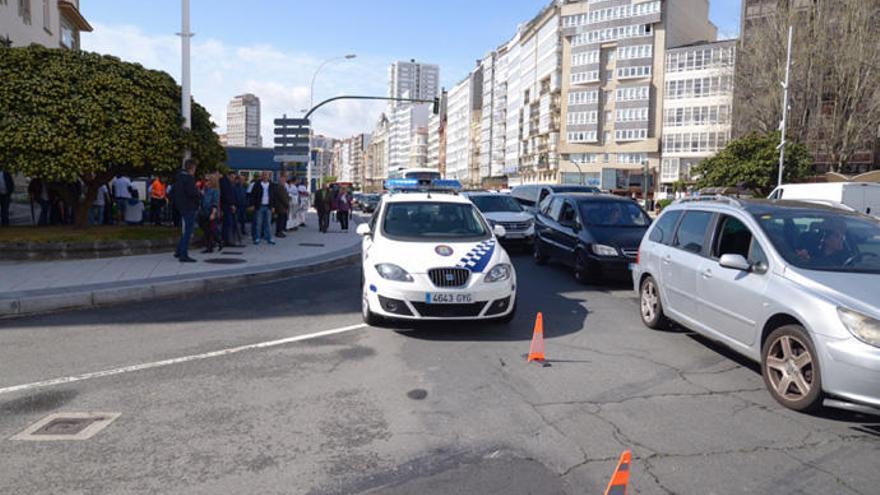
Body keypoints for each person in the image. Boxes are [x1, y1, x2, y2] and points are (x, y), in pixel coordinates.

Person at [172, 159, 201, 262]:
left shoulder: (178, 178)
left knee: (186, 230)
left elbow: (173, 192)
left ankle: (179, 251)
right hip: (189, 206)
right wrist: (199, 193)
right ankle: (183, 254)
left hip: (181, 206)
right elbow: (192, 193)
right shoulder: (188, 179)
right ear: (192, 168)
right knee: (188, 231)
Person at [250, 171, 276, 245]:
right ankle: (257, 238)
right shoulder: (257, 184)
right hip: (259, 206)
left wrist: (273, 206)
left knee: (268, 223)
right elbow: (253, 195)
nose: (265, 176)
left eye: (266, 175)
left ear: (269, 176)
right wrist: (252, 204)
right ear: (262, 176)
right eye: (264, 175)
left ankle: (269, 238)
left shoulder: (271, 185)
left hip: (268, 206)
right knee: (258, 223)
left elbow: (273, 196)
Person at [200, 174, 221, 253]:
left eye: (207, 180)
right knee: (207, 229)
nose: (205, 181)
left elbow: (215, 203)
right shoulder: (205, 189)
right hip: (204, 212)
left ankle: (211, 246)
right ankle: (217, 242)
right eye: (205, 180)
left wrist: (213, 213)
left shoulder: (215, 190)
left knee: (210, 230)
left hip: (210, 212)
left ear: (212, 181)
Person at [219, 170, 239, 246]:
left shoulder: (229, 183)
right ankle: (226, 240)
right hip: (227, 207)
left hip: (229, 206)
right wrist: (232, 205)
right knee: (228, 224)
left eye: (234, 177)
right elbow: (227, 195)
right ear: (228, 176)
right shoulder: (225, 183)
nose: (233, 179)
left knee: (228, 224)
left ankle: (226, 240)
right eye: (232, 177)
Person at [272, 172, 290, 238]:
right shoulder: (280, 188)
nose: (284, 182)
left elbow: (286, 196)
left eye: (284, 181)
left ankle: (280, 231)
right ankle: (278, 232)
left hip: (282, 207)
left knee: (282, 220)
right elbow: (283, 198)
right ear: (280, 181)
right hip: (281, 207)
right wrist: (287, 204)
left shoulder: (283, 187)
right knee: (280, 220)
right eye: (283, 181)